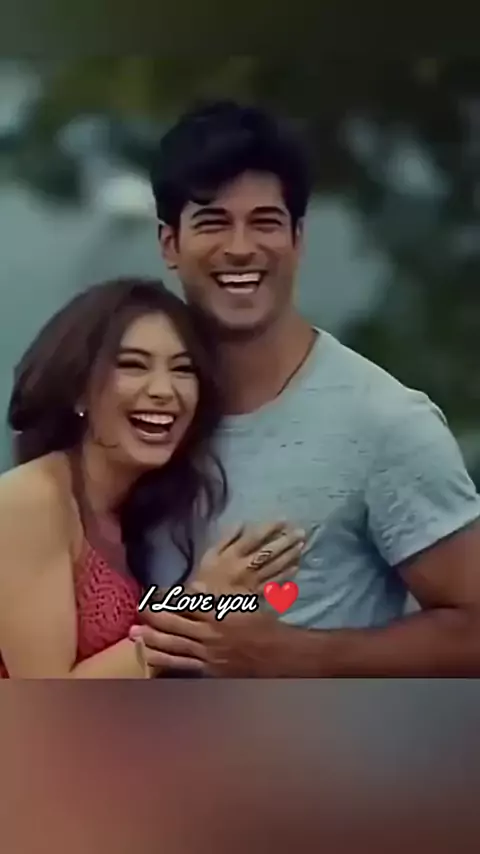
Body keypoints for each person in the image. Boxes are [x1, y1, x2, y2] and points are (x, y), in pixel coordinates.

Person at [135, 100, 480, 676]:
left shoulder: (385, 422)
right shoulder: (139, 415)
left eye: (265, 222)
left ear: (298, 238)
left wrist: (297, 656)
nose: (240, 247)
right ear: (169, 243)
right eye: (213, 222)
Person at [0, 277, 304, 678]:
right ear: (78, 390)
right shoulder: (31, 501)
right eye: (133, 365)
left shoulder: (139, 511)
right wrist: (200, 602)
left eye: (183, 369)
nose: (164, 390)